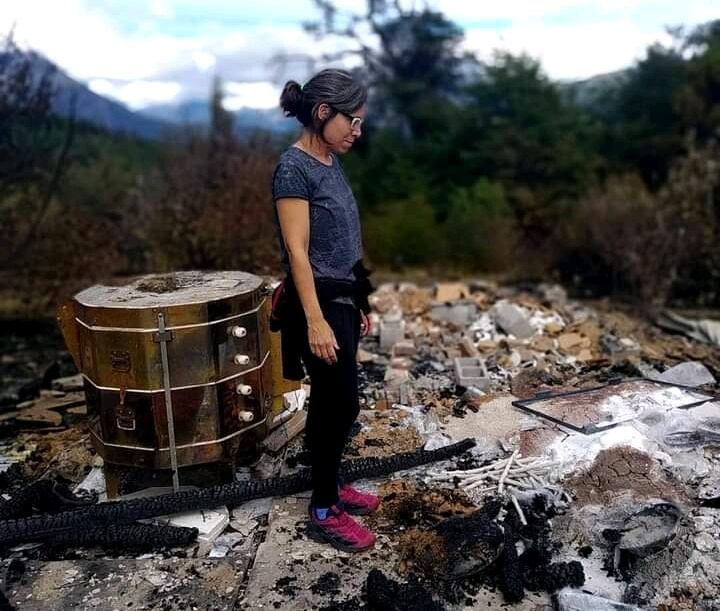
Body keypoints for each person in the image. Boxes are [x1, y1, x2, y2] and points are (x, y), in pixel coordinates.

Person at [270, 68, 379, 552]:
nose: (357, 132)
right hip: (315, 303)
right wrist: (315, 319)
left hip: (340, 298)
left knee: (341, 403)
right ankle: (322, 508)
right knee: (338, 402)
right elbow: (298, 251)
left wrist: (360, 300)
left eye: (360, 124)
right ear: (322, 112)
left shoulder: (330, 161)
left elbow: (344, 241)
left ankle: (331, 486)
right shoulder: (293, 168)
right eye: (352, 122)